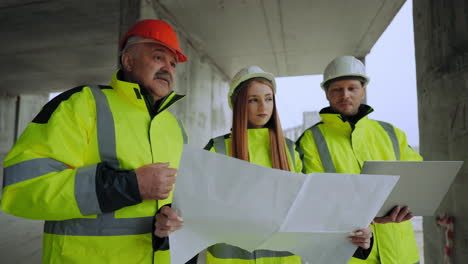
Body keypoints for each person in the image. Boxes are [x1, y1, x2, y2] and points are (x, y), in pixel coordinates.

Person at [1, 19, 188, 263]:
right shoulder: (82, 105)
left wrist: (173, 220)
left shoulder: (174, 128)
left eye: (173, 64)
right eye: (158, 57)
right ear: (128, 61)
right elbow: (22, 189)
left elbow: (179, 200)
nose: (168, 68)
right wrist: (128, 186)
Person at [154, 65, 373, 263]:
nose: (263, 106)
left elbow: (312, 207)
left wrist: (351, 232)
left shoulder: (290, 150)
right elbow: (192, 208)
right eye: (253, 100)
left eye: (269, 99)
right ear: (238, 104)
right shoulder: (217, 148)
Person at [296, 55, 421, 264]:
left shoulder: (391, 133)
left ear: (363, 90)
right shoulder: (311, 140)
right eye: (337, 89)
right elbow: (312, 199)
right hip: (349, 257)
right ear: (327, 93)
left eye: (352, 88)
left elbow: (418, 181)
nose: (345, 95)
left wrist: (410, 206)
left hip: (402, 255)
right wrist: (369, 217)